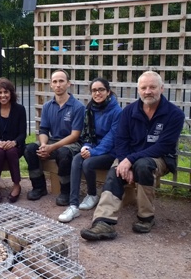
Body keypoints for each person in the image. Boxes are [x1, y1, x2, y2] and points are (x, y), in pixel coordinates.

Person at [80, 71, 185, 240]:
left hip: (160, 158)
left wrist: (130, 160)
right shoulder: (129, 111)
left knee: (143, 165)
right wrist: (123, 161)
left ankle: (146, 218)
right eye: (144, 87)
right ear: (138, 90)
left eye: (152, 87)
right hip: (129, 156)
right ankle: (103, 223)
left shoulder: (175, 114)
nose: (148, 91)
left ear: (162, 88)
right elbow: (121, 140)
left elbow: (163, 146)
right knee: (115, 172)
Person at [58, 77, 122, 223]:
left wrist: (93, 152)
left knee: (87, 163)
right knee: (77, 158)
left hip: (111, 153)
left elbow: (111, 138)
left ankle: (92, 194)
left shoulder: (117, 111)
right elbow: (87, 134)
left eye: (101, 90)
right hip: (94, 149)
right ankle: (73, 206)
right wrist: (86, 146)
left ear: (108, 91)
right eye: (94, 90)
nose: (97, 93)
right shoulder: (90, 109)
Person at [24, 69, 85, 204]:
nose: (58, 85)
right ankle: (39, 187)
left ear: (68, 84)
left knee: (63, 153)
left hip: (72, 144)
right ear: (51, 85)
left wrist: (52, 148)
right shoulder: (47, 106)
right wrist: (44, 145)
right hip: (52, 142)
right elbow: (44, 129)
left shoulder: (78, 107)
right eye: (55, 81)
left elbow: (75, 135)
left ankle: (65, 191)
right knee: (29, 149)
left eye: (61, 81)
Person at [0, 78, 27, 203]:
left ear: (11, 93)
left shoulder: (20, 109)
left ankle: (16, 185)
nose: (3, 95)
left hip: (15, 145)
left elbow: (23, 133)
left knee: (11, 152)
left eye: (6, 92)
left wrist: (14, 142)